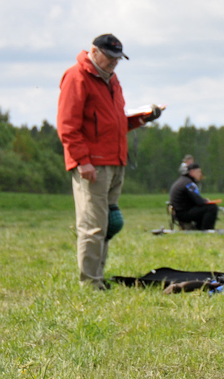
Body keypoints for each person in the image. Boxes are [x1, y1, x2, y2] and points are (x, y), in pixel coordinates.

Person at [56, 33, 159, 290]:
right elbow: (67, 126)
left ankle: (98, 278)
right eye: (111, 57)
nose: (114, 63)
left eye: (118, 59)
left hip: (115, 162)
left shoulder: (113, 81)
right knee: (93, 226)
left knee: (109, 224)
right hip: (92, 165)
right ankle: (90, 284)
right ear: (94, 51)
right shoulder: (76, 76)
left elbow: (115, 124)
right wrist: (82, 160)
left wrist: (142, 119)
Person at [169, 163, 220, 230]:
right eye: (199, 172)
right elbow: (198, 201)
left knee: (203, 208)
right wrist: (206, 201)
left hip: (178, 213)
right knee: (212, 207)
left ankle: (199, 228)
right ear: (192, 172)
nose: (200, 174)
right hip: (183, 214)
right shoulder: (189, 183)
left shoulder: (182, 180)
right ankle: (206, 230)